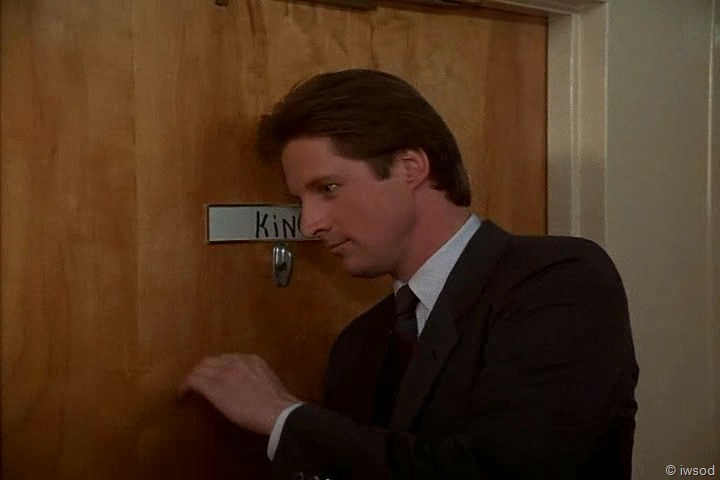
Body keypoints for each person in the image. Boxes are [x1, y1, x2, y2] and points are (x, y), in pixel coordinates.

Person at [180, 69, 639, 479]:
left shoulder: (557, 280)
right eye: (300, 200)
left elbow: (506, 470)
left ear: (410, 167)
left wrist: (284, 416)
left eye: (328, 188)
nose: (309, 224)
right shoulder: (359, 345)